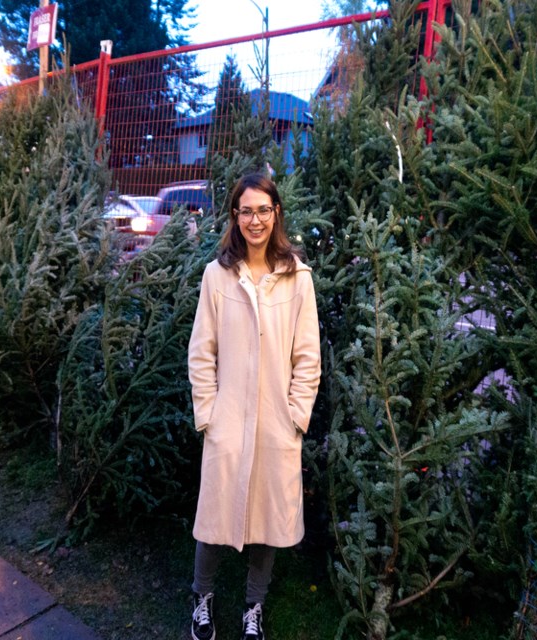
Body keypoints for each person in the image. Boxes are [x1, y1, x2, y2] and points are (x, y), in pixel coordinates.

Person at [187, 173, 321, 640]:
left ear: (276, 213)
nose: (255, 220)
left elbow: (308, 358)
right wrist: (208, 415)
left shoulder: (297, 278)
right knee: (213, 516)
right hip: (227, 421)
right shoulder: (216, 276)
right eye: (246, 210)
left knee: (268, 522)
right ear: (235, 217)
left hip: (276, 426)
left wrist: (295, 419)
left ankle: (253, 606)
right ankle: (201, 596)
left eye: (263, 210)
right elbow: (202, 352)